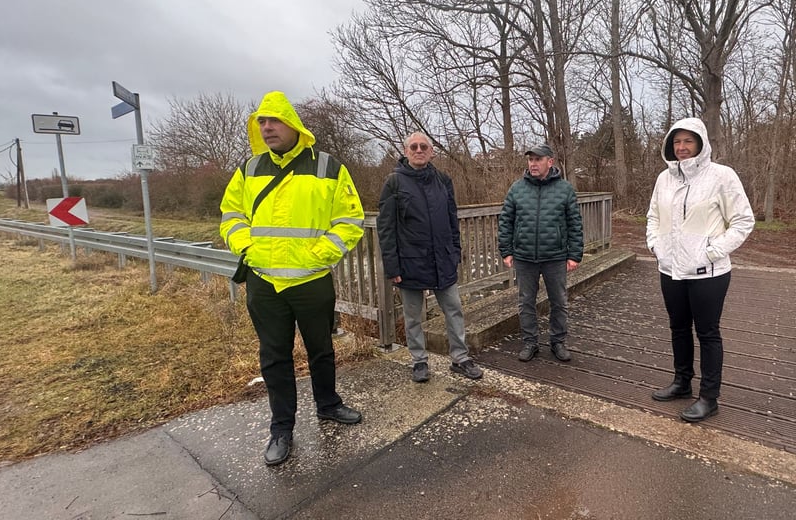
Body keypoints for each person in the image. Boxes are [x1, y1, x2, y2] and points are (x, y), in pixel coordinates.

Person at [220, 91, 365, 466]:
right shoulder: (249, 169)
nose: (266, 128)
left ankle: (328, 405)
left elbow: (350, 219)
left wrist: (321, 254)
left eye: (274, 121)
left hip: (312, 279)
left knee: (322, 350)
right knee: (274, 358)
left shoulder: (328, 167)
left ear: (293, 125)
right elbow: (231, 215)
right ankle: (281, 429)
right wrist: (246, 248)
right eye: (261, 122)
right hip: (264, 282)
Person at [645, 117, 755, 423]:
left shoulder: (721, 176)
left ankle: (709, 397)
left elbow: (744, 221)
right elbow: (653, 216)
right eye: (677, 142)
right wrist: (656, 245)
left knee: (707, 333)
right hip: (671, 270)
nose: (681, 148)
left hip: (709, 273)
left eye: (688, 141)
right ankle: (682, 382)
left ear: (701, 143)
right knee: (678, 328)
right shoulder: (663, 179)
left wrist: (712, 252)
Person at [377, 132, 483, 383]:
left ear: (432, 151)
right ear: (405, 151)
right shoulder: (394, 183)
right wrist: (392, 267)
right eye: (413, 146)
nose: (418, 150)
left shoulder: (443, 180)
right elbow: (386, 229)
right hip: (410, 261)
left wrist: (456, 252)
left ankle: (460, 358)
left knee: (454, 309)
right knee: (413, 316)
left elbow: (451, 220)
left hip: (442, 259)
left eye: (423, 146)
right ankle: (419, 361)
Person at [498, 143, 584, 363]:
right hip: (524, 256)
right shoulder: (517, 188)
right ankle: (530, 342)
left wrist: (574, 254)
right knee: (526, 301)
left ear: (550, 161)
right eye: (530, 160)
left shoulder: (564, 189)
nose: (533, 164)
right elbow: (506, 221)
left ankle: (558, 341)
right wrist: (506, 250)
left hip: (555, 256)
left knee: (559, 301)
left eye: (538, 159)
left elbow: (575, 223)